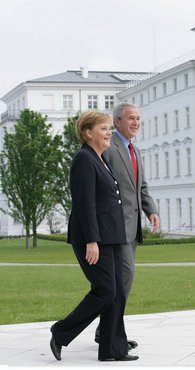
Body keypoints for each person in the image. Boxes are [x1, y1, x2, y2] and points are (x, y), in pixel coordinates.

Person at [50, 110, 139, 362]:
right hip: (93, 238)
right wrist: (92, 240)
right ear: (88, 133)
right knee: (105, 291)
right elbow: (85, 204)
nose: (109, 132)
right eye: (104, 128)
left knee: (116, 291)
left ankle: (112, 349)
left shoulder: (100, 158)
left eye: (110, 128)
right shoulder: (83, 159)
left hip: (109, 236)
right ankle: (60, 332)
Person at [95, 102, 160, 349]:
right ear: (117, 121)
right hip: (115, 227)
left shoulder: (135, 150)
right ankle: (110, 333)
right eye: (131, 118)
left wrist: (151, 210)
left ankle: (107, 330)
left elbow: (140, 187)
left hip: (132, 229)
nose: (136, 123)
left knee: (123, 281)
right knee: (122, 279)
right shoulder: (108, 147)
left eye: (139, 119)